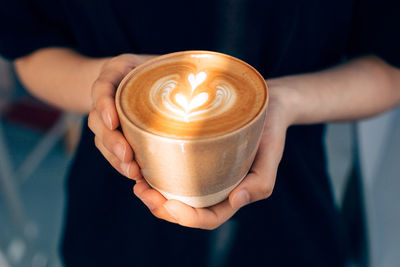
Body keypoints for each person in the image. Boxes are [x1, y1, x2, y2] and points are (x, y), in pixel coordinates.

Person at [1, 0, 399, 266]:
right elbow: (29, 46)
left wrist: (284, 101)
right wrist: (107, 87)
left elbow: (390, 66)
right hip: (113, 218)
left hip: (291, 218)